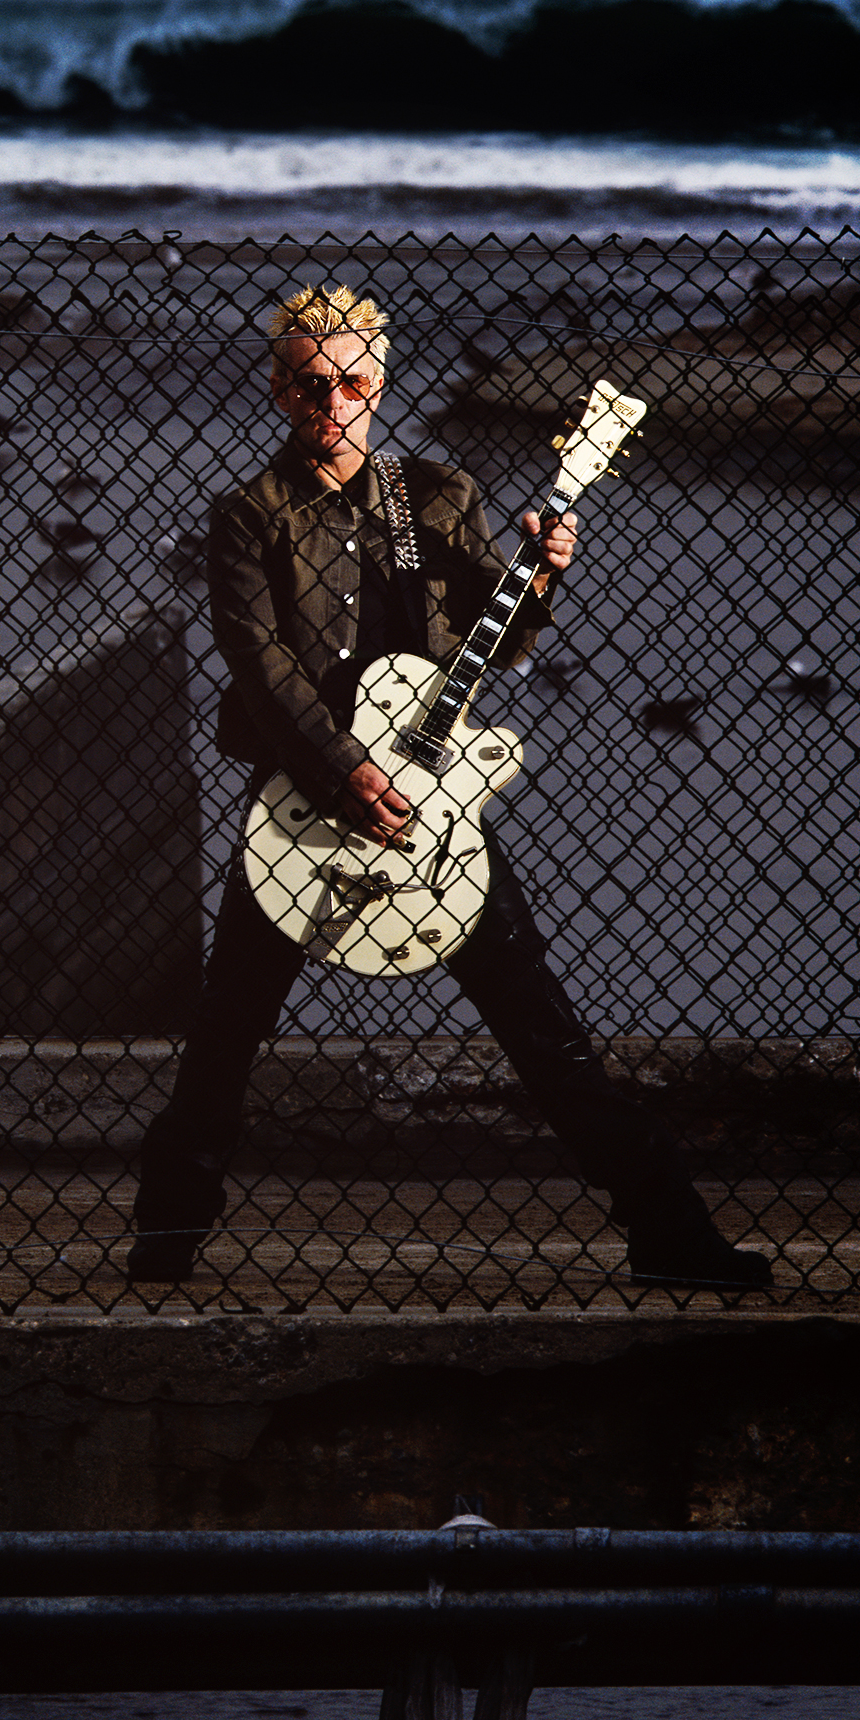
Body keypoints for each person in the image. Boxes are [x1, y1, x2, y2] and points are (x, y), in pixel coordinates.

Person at [127, 282, 770, 1291]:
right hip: (297, 812)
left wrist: (542, 572)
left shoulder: (438, 495)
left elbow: (497, 644)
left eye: (349, 384)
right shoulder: (247, 517)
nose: (329, 404)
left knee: (540, 1023)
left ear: (378, 386)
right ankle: (165, 1239)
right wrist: (345, 770)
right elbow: (261, 664)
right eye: (307, 386)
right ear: (277, 388)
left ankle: (666, 1227)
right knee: (227, 1031)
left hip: (433, 804)